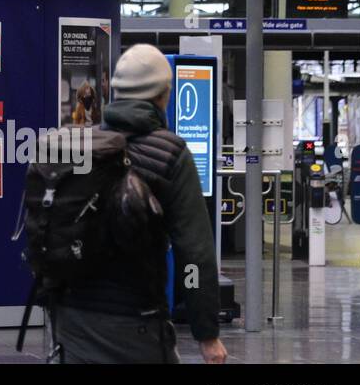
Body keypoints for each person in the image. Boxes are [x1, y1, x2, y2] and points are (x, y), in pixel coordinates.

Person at [52, 43, 228, 365]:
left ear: (114, 92)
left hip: (72, 321)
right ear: (164, 95)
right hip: (137, 324)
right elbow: (194, 254)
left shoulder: (80, 145)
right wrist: (207, 333)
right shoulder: (170, 154)